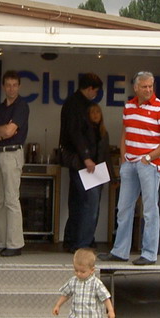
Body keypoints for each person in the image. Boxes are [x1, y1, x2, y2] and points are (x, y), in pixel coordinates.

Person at [101, 71, 160, 266]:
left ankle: (149, 253)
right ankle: (120, 251)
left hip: (149, 164)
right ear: (135, 87)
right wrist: (124, 159)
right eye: (144, 86)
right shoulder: (129, 106)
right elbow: (125, 133)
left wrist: (149, 158)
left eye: (151, 86)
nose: (148, 90)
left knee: (149, 210)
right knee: (123, 208)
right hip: (131, 162)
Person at [0, 70, 30, 256]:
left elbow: (9, 132)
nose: (11, 89)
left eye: (14, 85)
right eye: (8, 85)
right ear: (3, 87)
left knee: (11, 199)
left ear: (19, 86)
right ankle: (3, 241)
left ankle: (15, 244)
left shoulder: (22, 106)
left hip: (12, 153)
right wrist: (0, 131)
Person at [59, 72, 103, 252]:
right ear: (90, 89)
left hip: (77, 159)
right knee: (90, 201)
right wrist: (86, 157)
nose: (96, 95)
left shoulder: (72, 103)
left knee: (77, 201)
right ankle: (83, 243)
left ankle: (72, 240)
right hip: (83, 161)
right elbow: (76, 133)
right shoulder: (78, 106)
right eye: (96, 91)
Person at [86, 103, 111, 235]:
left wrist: (112, 177)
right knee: (89, 208)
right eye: (93, 112)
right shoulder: (85, 131)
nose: (95, 115)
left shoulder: (104, 133)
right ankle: (85, 239)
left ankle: (90, 237)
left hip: (100, 172)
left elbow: (107, 155)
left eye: (98, 112)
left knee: (95, 208)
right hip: (87, 172)